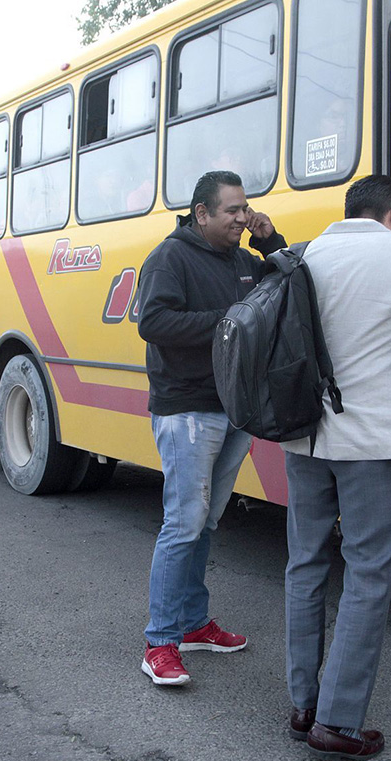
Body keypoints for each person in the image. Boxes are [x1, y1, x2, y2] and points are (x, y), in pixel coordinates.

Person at [281, 176, 391, 760]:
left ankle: (304, 704)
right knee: (367, 575)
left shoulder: (304, 256)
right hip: (375, 445)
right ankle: (337, 722)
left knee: (305, 564)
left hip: (305, 440)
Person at [134, 170, 286, 686]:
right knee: (183, 522)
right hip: (187, 411)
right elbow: (152, 323)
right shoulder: (169, 258)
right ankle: (160, 641)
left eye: (246, 210)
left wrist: (271, 242)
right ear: (202, 214)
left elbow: (287, 280)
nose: (243, 219)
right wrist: (226, 321)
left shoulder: (244, 259)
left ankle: (194, 623)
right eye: (233, 212)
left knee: (207, 521)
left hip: (232, 408)